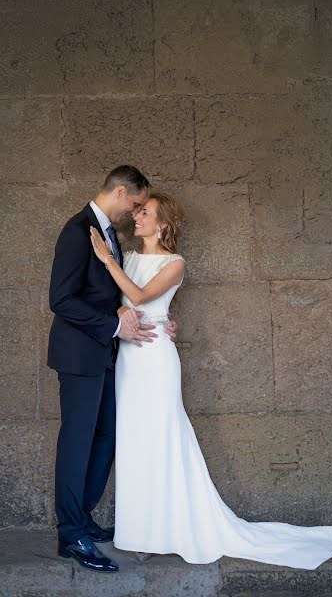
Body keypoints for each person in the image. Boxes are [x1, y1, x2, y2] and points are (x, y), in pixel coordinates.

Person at [89, 191, 332, 570]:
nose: (137, 217)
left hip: (155, 360)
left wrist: (106, 261)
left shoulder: (175, 263)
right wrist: (119, 306)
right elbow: (123, 300)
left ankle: (168, 528)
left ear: (162, 223)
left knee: (163, 437)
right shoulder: (130, 257)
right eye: (137, 211)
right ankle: (140, 531)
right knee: (134, 440)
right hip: (130, 360)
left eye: (145, 212)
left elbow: (140, 294)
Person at [48, 165, 178, 573]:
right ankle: (71, 535)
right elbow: (61, 299)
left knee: (103, 439)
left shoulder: (107, 234)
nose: (134, 214)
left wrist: (142, 317)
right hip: (80, 357)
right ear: (122, 192)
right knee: (77, 442)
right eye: (136, 204)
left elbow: (112, 294)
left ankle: (83, 517)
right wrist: (115, 324)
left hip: (105, 355)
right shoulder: (76, 231)